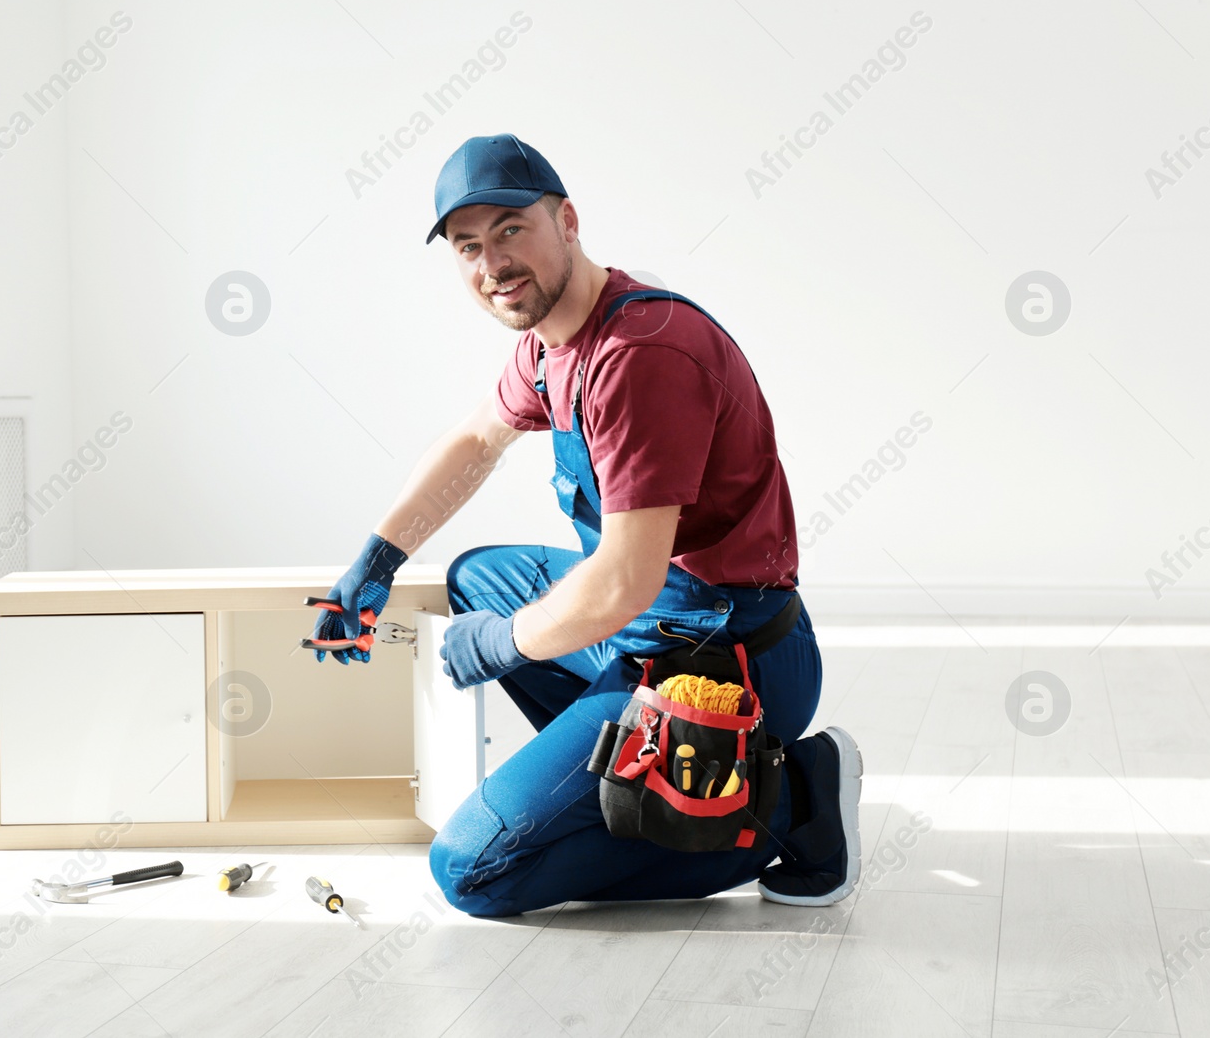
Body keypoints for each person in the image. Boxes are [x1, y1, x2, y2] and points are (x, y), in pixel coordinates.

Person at [310, 133, 862, 918]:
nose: (492, 264)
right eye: (468, 246)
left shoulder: (640, 355)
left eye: (510, 231)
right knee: (476, 577)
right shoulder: (550, 341)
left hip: (721, 657)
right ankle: (623, 770)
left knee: (474, 871)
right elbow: (476, 441)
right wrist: (378, 558)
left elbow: (626, 577)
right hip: (649, 617)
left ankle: (785, 801)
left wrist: (503, 643)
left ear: (567, 220)